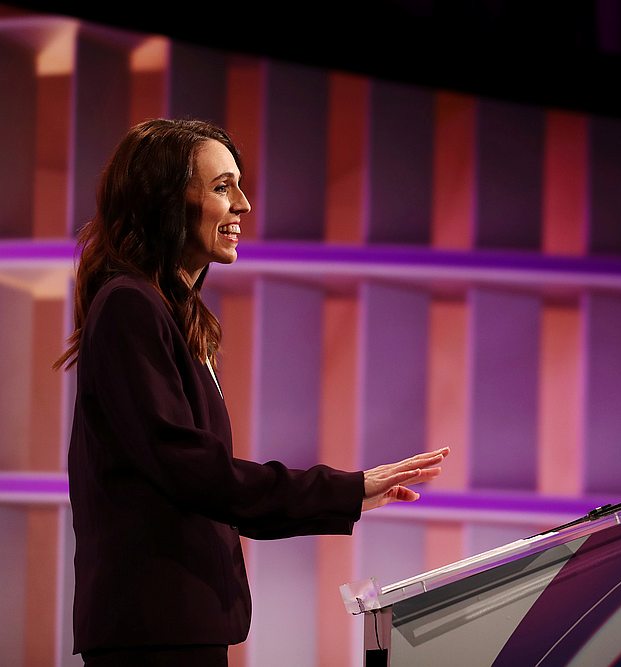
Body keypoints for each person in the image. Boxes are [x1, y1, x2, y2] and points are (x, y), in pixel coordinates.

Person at [53, 117, 450, 666]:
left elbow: (206, 485)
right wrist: (343, 490)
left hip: (177, 625)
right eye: (222, 187)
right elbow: (195, 472)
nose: (243, 205)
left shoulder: (169, 314)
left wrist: (349, 495)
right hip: (153, 632)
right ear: (165, 201)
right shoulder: (129, 305)